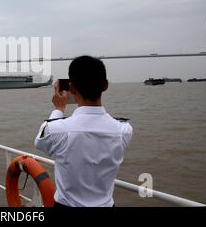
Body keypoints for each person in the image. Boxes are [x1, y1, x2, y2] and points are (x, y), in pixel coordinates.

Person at [34, 55, 133, 207]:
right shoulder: (124, 131)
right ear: (105, 85)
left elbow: (40, 142)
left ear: (72, 88)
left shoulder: (56, 130)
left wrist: (59, 109)